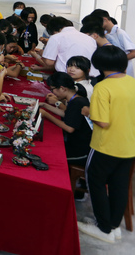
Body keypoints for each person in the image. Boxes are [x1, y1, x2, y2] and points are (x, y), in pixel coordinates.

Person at [78, 45, 135, 243]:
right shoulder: (132, 82)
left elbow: (102, 121)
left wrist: (87, 111)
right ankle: (112, 225)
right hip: (129, 145)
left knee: (96, 182)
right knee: (119, 185)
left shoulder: (103, 87)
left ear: (99, 65)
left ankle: (103, 228)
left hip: (106, 145)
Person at [38, 72, 91, 168]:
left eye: (52, 89)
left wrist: (46, 115)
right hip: (74, 144)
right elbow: (66, 114)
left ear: (62, 88)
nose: (52, 92)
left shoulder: (77, 103)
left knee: (46, 157)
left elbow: (69, 128)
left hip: (80, 152)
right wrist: (45, 106)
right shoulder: (76, 98)